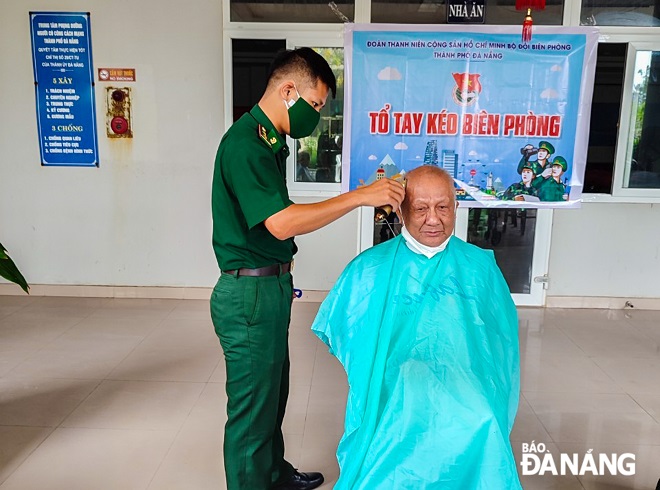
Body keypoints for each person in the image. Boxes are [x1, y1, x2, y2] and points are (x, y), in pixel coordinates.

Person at [210, 47, 405, 490]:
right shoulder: (246, 145)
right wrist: (358, 197)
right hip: (248, 297)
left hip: (270, 289)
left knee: (273, 397)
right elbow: (281, 223)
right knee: (251, 412)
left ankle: (274, 475)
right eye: (315, 105)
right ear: (288, 89)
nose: (316, 116)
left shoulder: (269, 142)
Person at [311, 166, 521, 489]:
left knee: (484, 418)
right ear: (401, 209)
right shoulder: (369, 269)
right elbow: (351, 335)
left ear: (456, 208)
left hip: (463, 380)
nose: (433, 219)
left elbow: (499, 345)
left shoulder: (480, 266)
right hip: (397, 382)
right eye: (421, 208)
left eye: (443, 207)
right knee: (397, 418)